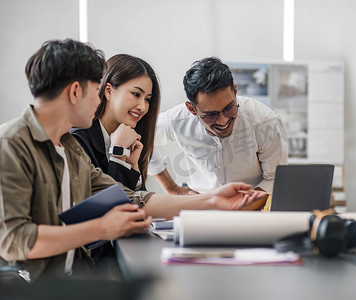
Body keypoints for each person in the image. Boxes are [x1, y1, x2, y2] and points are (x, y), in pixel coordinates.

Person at [0, 39, 264, 280]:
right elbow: (13, 240)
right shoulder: (11, 144)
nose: (99, 98)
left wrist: (213, 199)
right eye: (97, 89)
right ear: (75, 92)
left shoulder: (71, 150)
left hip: (72, 279)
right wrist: (101, 227)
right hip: (28, 285)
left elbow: (129, 198)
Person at [149, 57, 288, 209]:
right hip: (200, 208)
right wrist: (172, 189)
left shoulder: (265, 122)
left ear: (235, 91)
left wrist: (239, 208)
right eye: (211, 115)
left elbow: (274, 179)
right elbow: (143, 137)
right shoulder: (177, 120)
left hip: (253, 209)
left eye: (229, 108)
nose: (223, 121)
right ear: (191, 109)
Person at [71, 54, 160, 191]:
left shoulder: (133, 141)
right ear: (108, 91)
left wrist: (132, 167)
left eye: (147, 99)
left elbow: (137, 204)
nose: (142, 107)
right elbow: (105, 205)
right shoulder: (77, 140)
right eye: (136, 94)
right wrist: (118, 153)